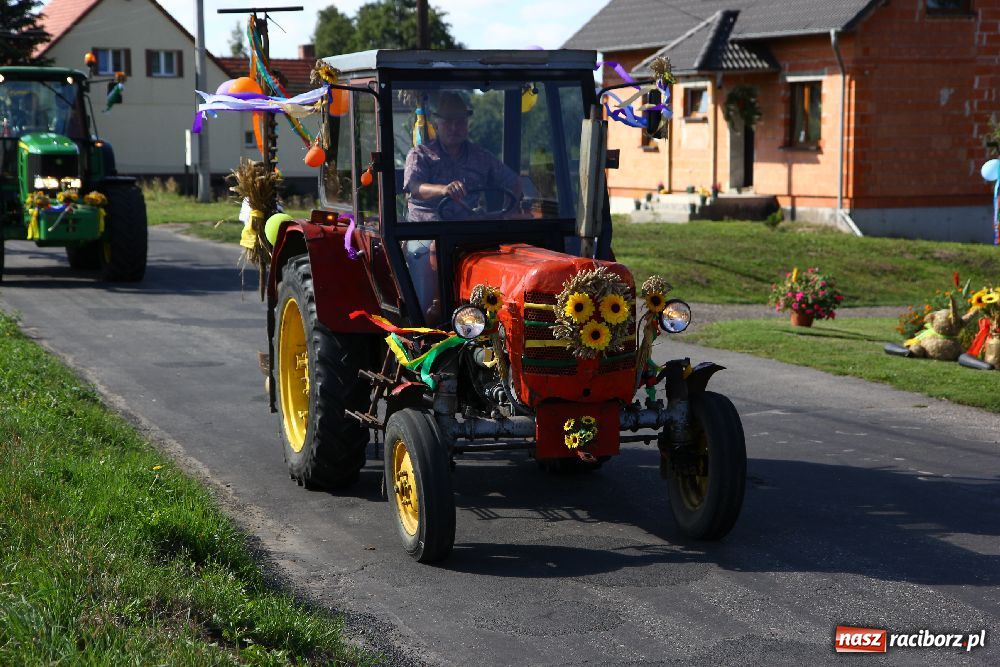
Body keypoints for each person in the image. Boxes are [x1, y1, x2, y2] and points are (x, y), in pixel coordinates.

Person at [403, 92, 521, 221]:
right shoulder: (420, 154)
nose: (454, 128)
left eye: (460, 122)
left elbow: (514, 182)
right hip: (425, 231)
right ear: (437, 125)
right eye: (448, 122)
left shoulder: (481, 157)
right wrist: (443, 189)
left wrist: (508, 213)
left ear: (467, 126)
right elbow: (415, 188)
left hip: (466, 230)